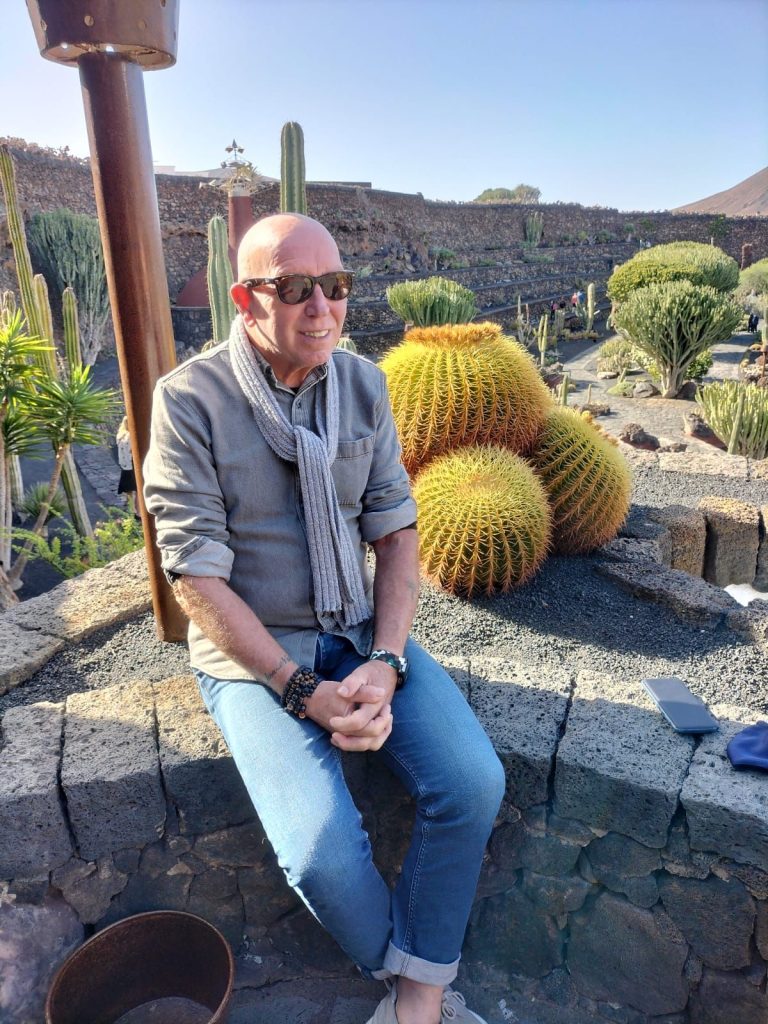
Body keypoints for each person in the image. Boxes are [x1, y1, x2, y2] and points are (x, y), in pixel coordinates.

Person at [143, 213, 505, 1024]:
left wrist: (387, 659)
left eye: (335, 286)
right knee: (319, 855)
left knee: (472, 781)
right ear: (246, 299)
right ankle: (405, 974)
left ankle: (416, 998)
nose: (322, 308)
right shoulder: (190, 401)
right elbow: (194, 575)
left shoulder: (363, 386)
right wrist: (298, 687)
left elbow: (397, 533)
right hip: (255, 657)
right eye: (296, 288)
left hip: (359, 633)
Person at [115, 415, 137, 514]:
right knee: (133, 488)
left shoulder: (120, 435)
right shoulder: (130, 436)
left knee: (128, 488)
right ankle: (133, 509)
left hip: (124, 464)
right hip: (131, 464)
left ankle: (129, 505)